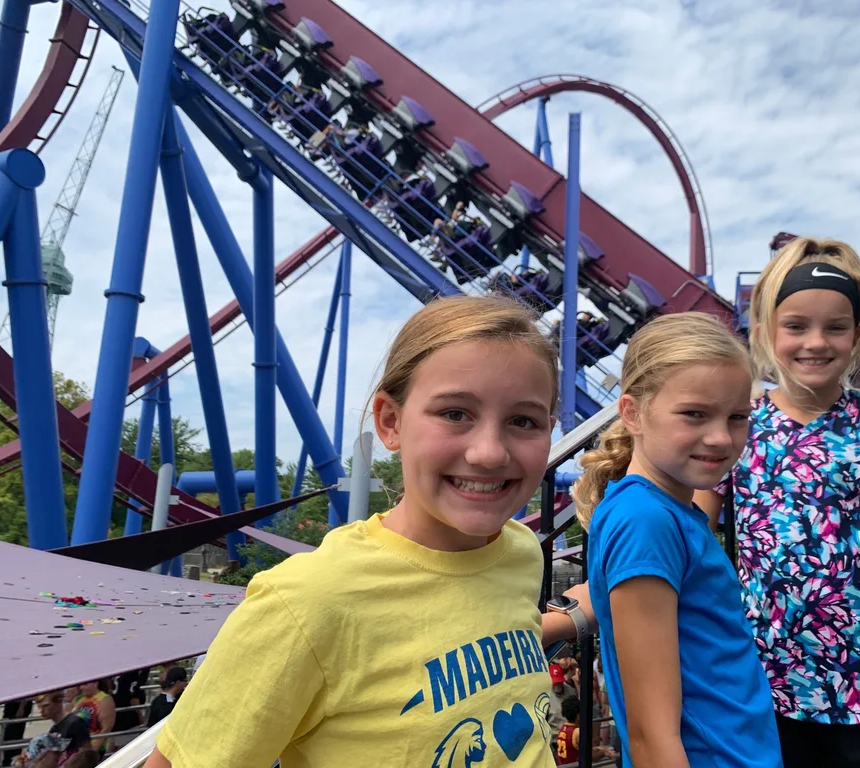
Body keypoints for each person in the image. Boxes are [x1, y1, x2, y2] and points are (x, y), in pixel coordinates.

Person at [144, 295, 595, 768]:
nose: (489, 453)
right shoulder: (307, 602)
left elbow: (469, 635)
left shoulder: (519, 550)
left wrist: (579, 613)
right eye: (455, 413)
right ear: (390, 421)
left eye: (523, 421)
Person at [696, 237, 860, 768]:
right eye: (796, 326)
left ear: (858, 334)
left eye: (835, 327)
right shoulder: (735, 426)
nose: (815, 342)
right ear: (765, 332)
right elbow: (691, 541)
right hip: (762, 688)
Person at [575, 312, 782, 768]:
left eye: (738, 417)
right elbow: (652, 736)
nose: (721, 438)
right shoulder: (645, 519)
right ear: (633, 413)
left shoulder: (666, 512)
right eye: (694, 414)